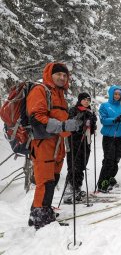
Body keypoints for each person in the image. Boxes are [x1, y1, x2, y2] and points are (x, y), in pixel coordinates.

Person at [26, 62, 82, 229]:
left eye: (64, 75)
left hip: (57, 145)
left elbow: (60, 119)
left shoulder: (60, 95)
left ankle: (40, 212)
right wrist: (64, 126)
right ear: (50, 74)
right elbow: (37, 119)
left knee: (53, 179)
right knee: (45, 181)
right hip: (43, 143)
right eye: (58, 74)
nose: (62, 77)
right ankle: (41, 219)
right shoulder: (40, 90)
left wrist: (72, 125)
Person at [63, 92, 97, 203]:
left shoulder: (90, 112)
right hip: (74, 142)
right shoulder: (73, 110)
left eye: (88, 100)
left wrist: (92, 124)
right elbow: (70, 124)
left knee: (82, 165)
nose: (87, 102)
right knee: (74, 166)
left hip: (85, 142)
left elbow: (91, 130)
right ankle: (69, 193)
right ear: (80, 100)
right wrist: (82, 121)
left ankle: (77, 188)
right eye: (85, 99)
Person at [97, 85, 121, 193]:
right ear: (111, 94)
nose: (117, 96)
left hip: (120, 136)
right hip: (109, 137)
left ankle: (110, 177)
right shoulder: (105, 106)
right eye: (115, 94)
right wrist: (115, 119)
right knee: (109, 160)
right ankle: (102, 182)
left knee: (116, 159)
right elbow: (103, 120)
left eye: (119, 94)